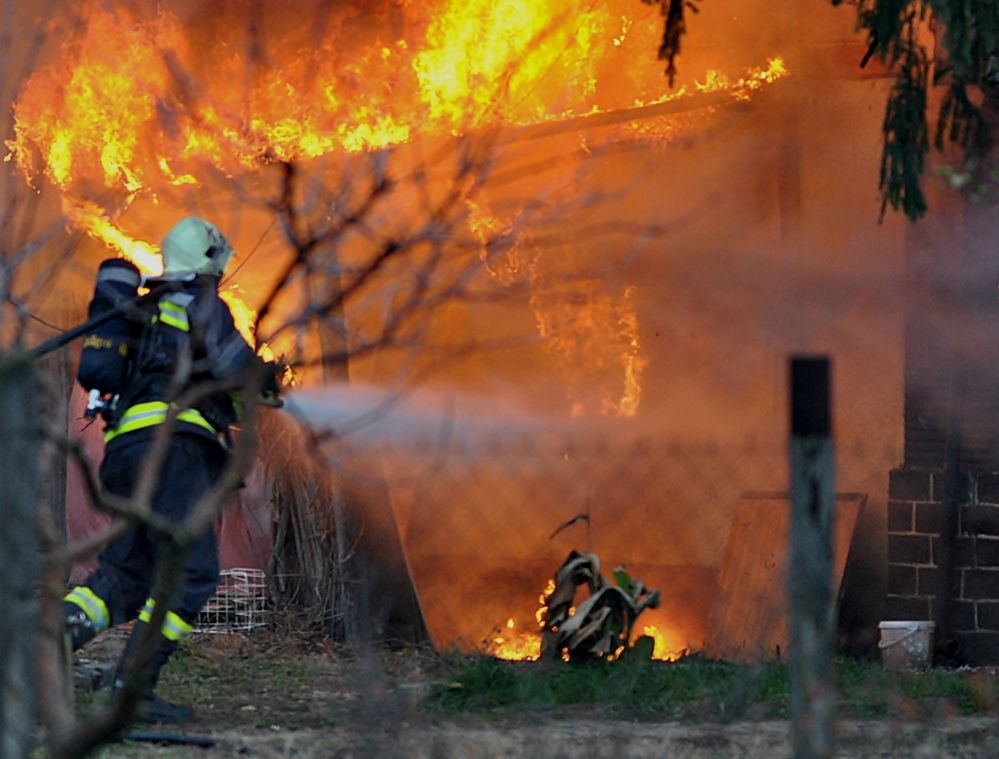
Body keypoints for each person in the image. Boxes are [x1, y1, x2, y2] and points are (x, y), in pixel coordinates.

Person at [63, 216, 270, 724]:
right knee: (193, 576)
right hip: (174, 452)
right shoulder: (201, 303)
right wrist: (266, 380)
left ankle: (35, 650)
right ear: (208, 259)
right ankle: (129, 694)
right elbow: (234, 367)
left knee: (127, 575)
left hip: (129, 457)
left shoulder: (141, 311)